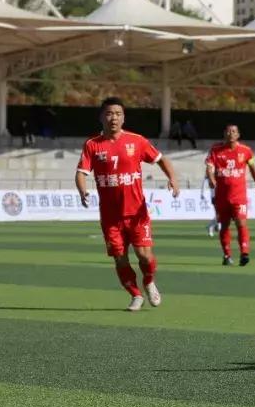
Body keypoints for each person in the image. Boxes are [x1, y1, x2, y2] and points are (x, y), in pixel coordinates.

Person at [76, 97, 180, 312]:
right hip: (110, 216)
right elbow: (81, 173)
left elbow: (161, 159)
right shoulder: (92, 145)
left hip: (136, 213)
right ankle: (135, 295)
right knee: (119, 259)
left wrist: (173, 178)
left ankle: (149, 281)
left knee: (145, 256)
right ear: (101, 117)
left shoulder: (137, 141)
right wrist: (82, 189)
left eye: (118, 114)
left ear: (123, 118)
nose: (113, 118)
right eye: (109, 113)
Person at [206, 124, 255, 266]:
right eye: (228, 131)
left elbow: (253, 169)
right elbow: (209, 167)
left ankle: (245, 252)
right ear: (224, 133)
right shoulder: (215, 150)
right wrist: (212, 179)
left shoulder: (245, 151)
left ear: (238, 135)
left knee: (241, 223)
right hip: (222, 197)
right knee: (224, 226)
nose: (230, 134)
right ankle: (227, 255)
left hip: (239, 197)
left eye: (233, 131)